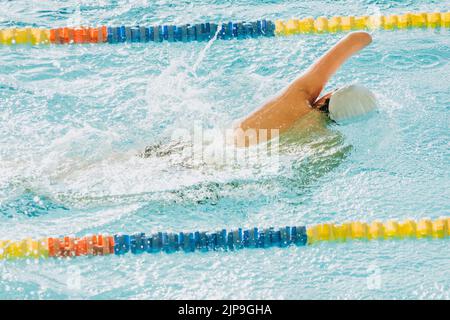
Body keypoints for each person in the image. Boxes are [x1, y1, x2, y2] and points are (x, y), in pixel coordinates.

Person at [234, 31, 378, 147]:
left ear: (328, 97)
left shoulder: (299, 96)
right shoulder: (328, 144)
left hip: (218, 149)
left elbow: (356, 38)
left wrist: (369, 36)